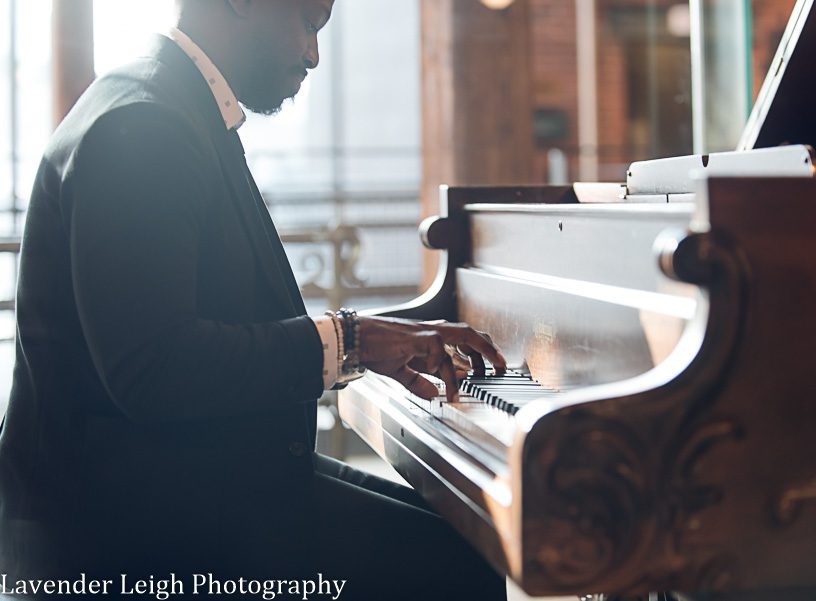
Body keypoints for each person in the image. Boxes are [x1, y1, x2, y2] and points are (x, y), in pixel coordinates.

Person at [0, 1, 508, 599]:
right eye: (308, 23)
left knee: (469, 539)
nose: (313, 55)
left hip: (181, 484)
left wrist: (363, 342)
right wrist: (353, 341)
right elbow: (155, 368)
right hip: (122, 536)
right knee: (457, 566)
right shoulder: (145, 125)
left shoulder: (172, 105)